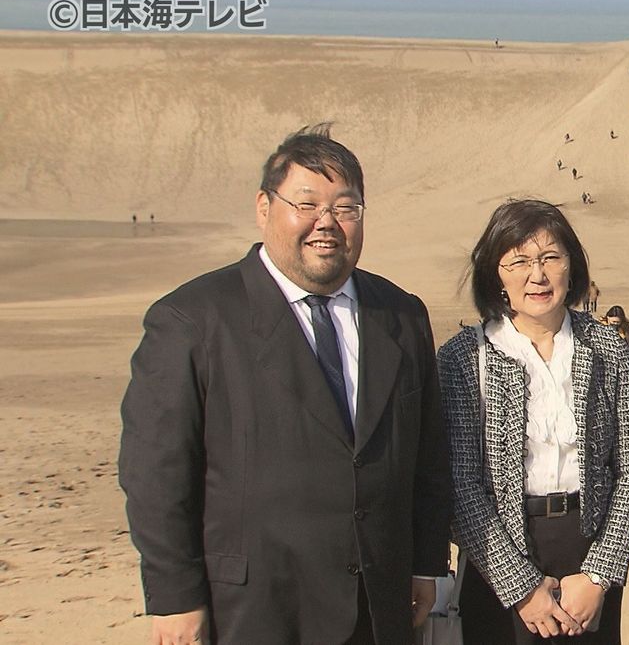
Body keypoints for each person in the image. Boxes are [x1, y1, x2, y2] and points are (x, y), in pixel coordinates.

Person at [118, 124, 452, 645]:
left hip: (379, 604)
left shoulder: (401, 315)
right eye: (307, 204)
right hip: (255, 610)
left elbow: (427, 456)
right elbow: (155, 476)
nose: (327, 224)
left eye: (345, 208)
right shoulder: (193, 320)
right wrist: (175, 597)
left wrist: (426, 562)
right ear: (264, 208)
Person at [438, 199, 629, 644]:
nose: (537, 275)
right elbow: (461, 485)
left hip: (589, 554)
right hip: (499, 558)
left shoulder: (608, 349)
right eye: (518, 261)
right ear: (496, 274)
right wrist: (521, 588)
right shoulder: (463, 358)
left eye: (551, 257)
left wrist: (599, 574)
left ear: (571, 267)